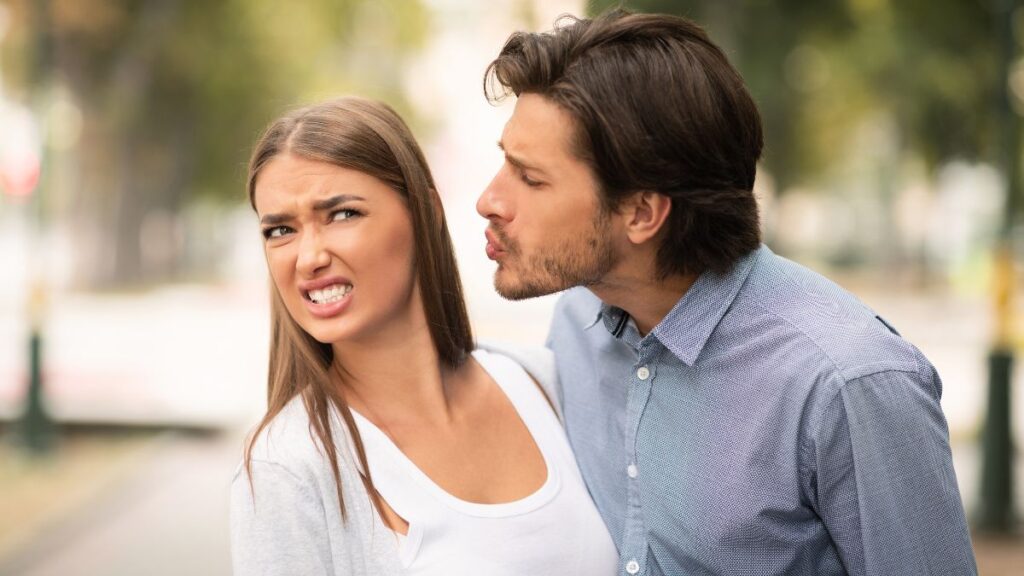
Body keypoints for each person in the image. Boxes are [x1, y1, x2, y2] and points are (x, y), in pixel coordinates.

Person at [476, 9, 977, 576]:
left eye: (530, 178)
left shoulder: (847, 383)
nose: (489, 200)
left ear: (642, 212)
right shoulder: (576, 320)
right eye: (503, 162)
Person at [229, 97, 618, 576]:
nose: (307, 257)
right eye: (280, 230)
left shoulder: (541, 381)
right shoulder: (288, 467)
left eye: (343, 214)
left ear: (425, 211)